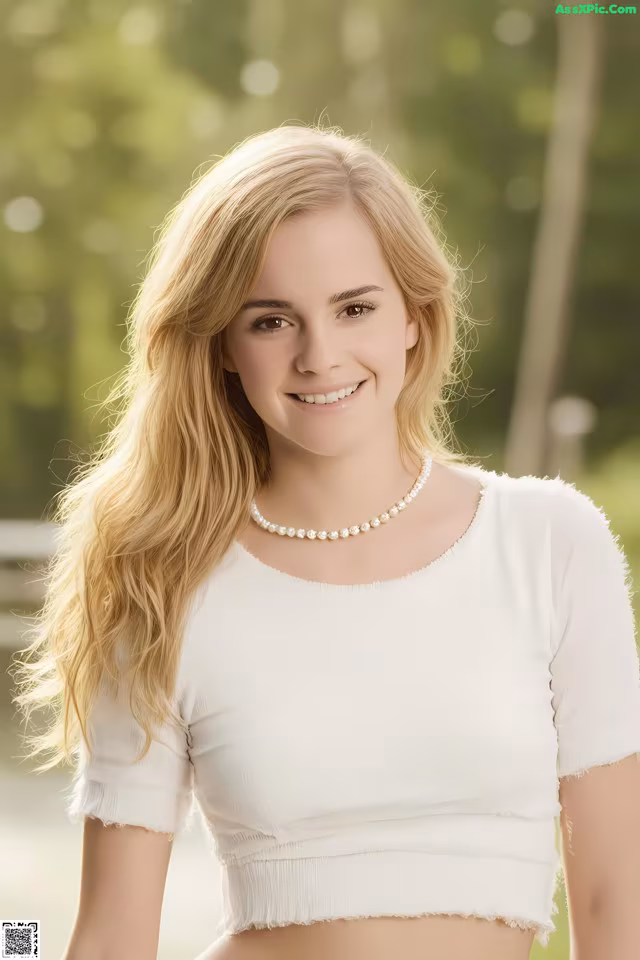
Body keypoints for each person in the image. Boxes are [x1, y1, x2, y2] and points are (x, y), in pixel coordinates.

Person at [12, 124, 640, 960]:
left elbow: (614, 912)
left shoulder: (551, 543)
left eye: (355, 308)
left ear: (415, 317)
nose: (319, 355)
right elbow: (111, 936)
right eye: (271, 321)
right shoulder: (164, 577)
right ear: (223, 349)